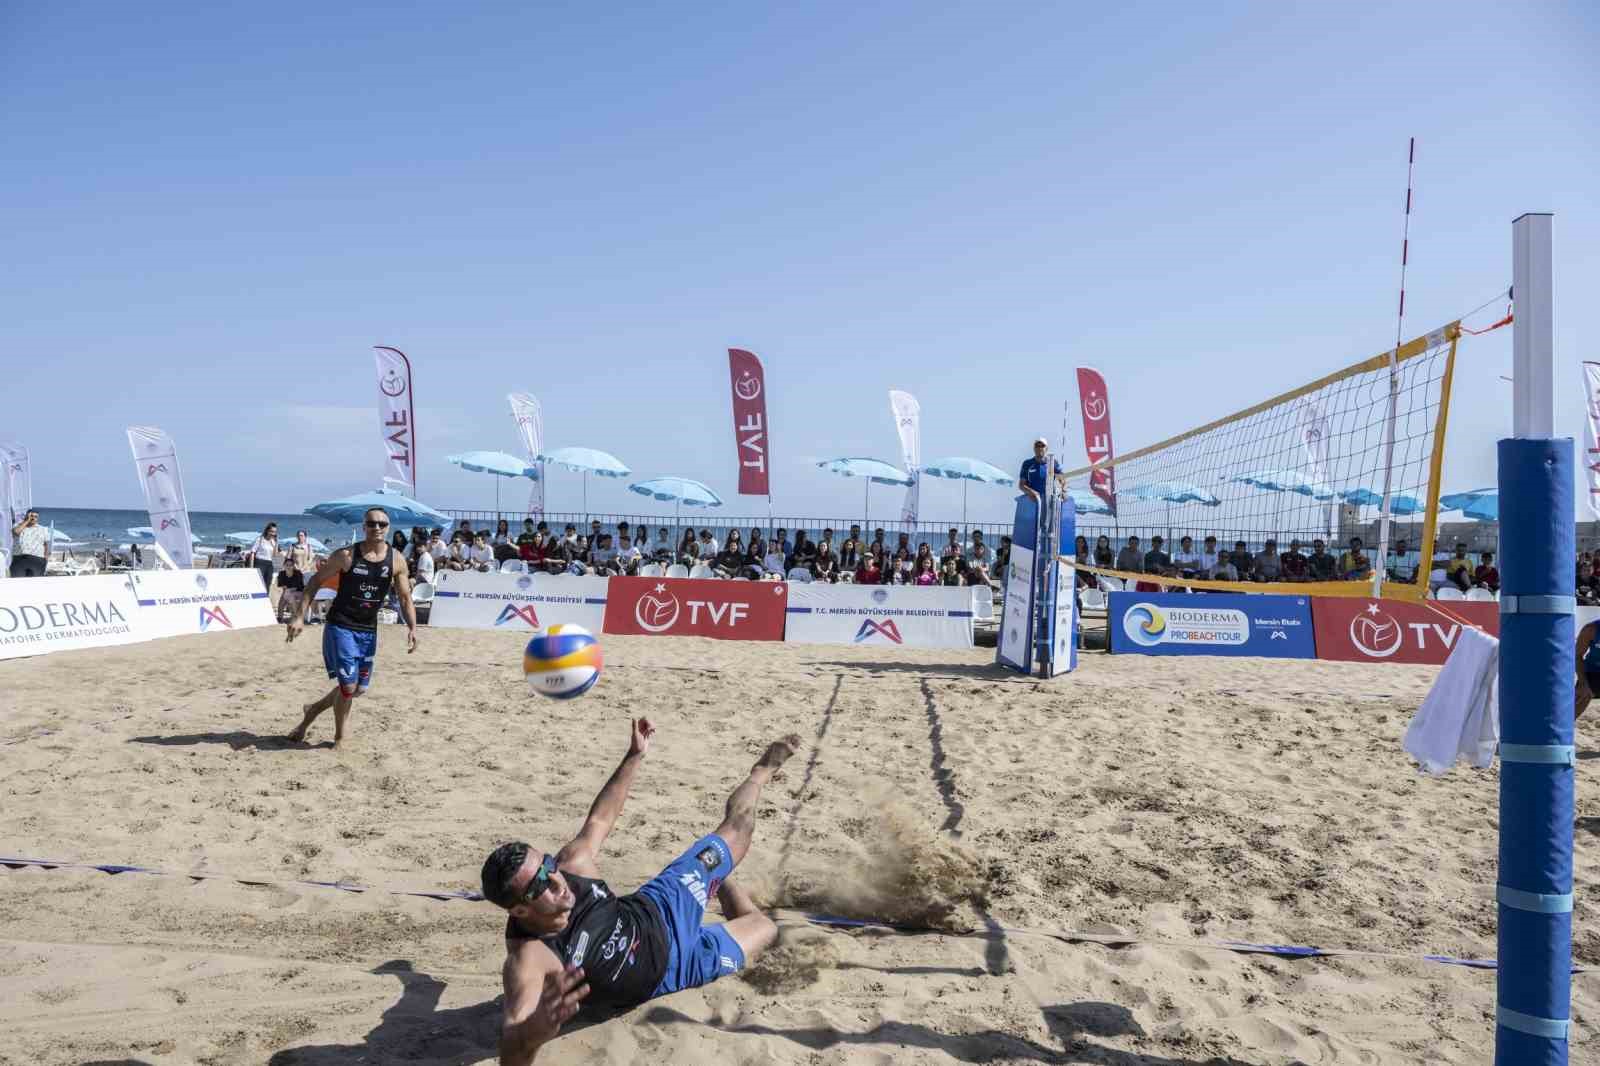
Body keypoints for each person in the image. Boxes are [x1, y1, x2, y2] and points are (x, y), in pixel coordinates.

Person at [483, 722, 798, 1065]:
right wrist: (529, 1034)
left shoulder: (572, 866)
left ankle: (760, 773)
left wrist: (634, 755)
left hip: (662, 905)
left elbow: (600, 819)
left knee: (740, 827)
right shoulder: (531, 957)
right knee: (765, 929)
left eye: (546, 865)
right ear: (520, 912)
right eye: (538, 884)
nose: (555, 880)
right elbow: (512, 1039)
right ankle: (720, 883)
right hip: (675, 969)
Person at [286, 508, 417, 750]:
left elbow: (406, 596)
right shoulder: (346, 555)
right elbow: (314, 582)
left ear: (388, 528)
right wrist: (299, 617)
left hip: (368, 630)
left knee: (357, 689)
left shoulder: (396, 559)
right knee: (347, 687)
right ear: (364, 526)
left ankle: (313, 710)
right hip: (341, 626)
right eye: (371, 523)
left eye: (382, 524)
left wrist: (412, 627)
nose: (376, 528)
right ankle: (339, 738)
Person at [1017, 437, 1065, 504]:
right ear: (1034, 448)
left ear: (1046, 448)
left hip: (1049, 503)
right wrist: (1032, 492)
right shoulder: (1027, 464)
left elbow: (1062, 480)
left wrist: (1062, 492)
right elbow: (1021, 485)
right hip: (1032, 503)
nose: (1039, 448)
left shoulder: (1053, 463)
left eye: (1042, 446)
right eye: (1037, 446)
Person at [8, 509, 49, 577]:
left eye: (35, 516)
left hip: (37, 559)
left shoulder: (43, 529)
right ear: (26, 516)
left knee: (35, 584)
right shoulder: (17, 526)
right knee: (17, 583)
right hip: (19, 558)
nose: (33, 518)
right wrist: (27, 521)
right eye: (31, 516)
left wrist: (45, 559)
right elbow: (16, 532)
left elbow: (46, 545)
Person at [246, 522, 279, 595]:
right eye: (272, 531)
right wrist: (251, 567)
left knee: (268, 583)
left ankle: (265, 598)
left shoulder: (273, 541)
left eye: (275, 532)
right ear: (267, 531)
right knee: (259, 583)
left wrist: (276, 543)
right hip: (260, 562)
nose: (273, 533)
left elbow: (275, 555)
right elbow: (252, 552)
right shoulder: (260, 539)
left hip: (269, 563)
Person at [276, 558, 306, 623]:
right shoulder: (282, 574)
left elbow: (297, 587)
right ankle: (280, 617)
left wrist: (287, 591)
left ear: (293, 566)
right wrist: (286, 593)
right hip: (287, 592)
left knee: (289, 595)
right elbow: (282, 585)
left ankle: (295, 616)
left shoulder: (298, 573)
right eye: (287, 565)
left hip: (299, 592)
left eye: (291, 565)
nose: (289, 567)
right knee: (284, 599)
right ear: (284, 565)